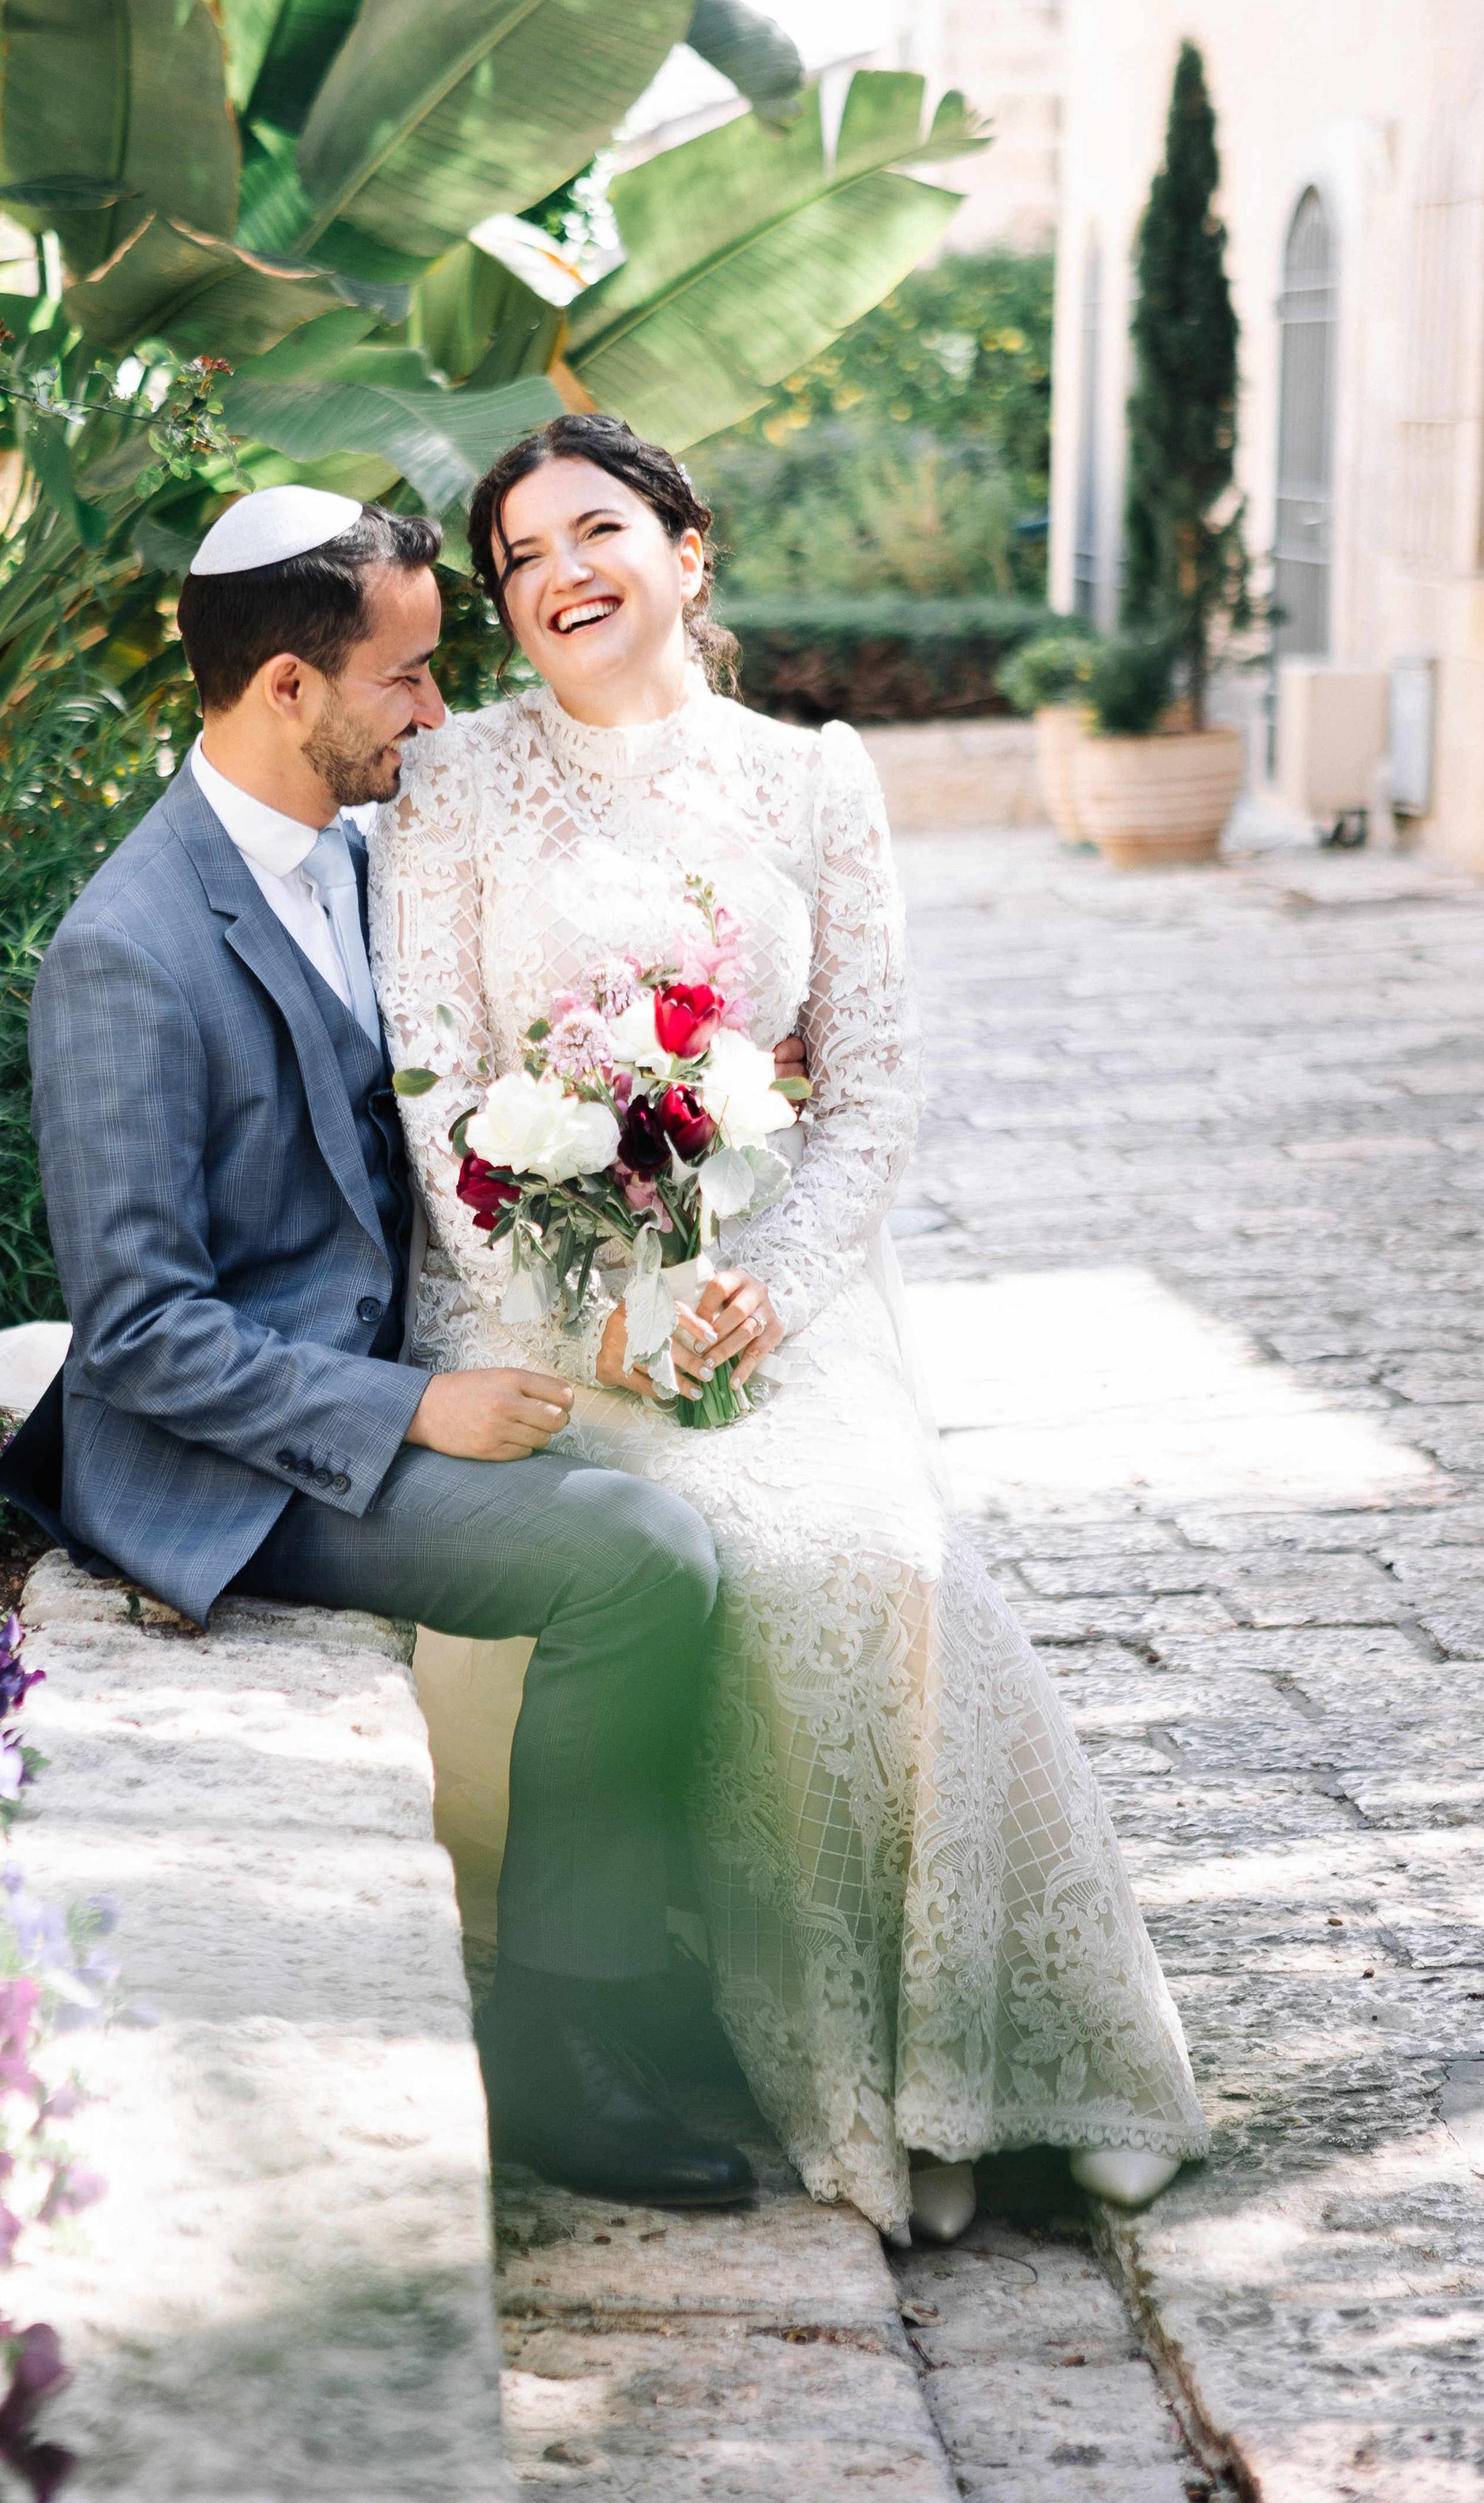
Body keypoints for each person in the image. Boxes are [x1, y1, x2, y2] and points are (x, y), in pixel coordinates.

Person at [369, 415, 1209, 2242]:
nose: (555, 575)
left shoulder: (813, 779)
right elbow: (434, 1087)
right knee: (755, 1555)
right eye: (516, 558)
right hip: (535, 1294)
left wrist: (780, 1285)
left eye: (594, 529)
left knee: (884, 1558)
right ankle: (857, 2094)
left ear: (687, 551)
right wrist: (584, 1321)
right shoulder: (455, 788)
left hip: (767, 1285)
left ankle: (1021, 2054)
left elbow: (876, 1087)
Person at [26, 483, 759, 2209]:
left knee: (726, 1482)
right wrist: (413, 1403)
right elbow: (134, 1332)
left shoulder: (371, 854)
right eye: (407, 681)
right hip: (227, 1462)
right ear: (287, 688)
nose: (437, 713)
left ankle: (656, 1979)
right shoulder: (123, 952)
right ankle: (555, 2048)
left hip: (406, 1369)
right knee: (634, 1558)